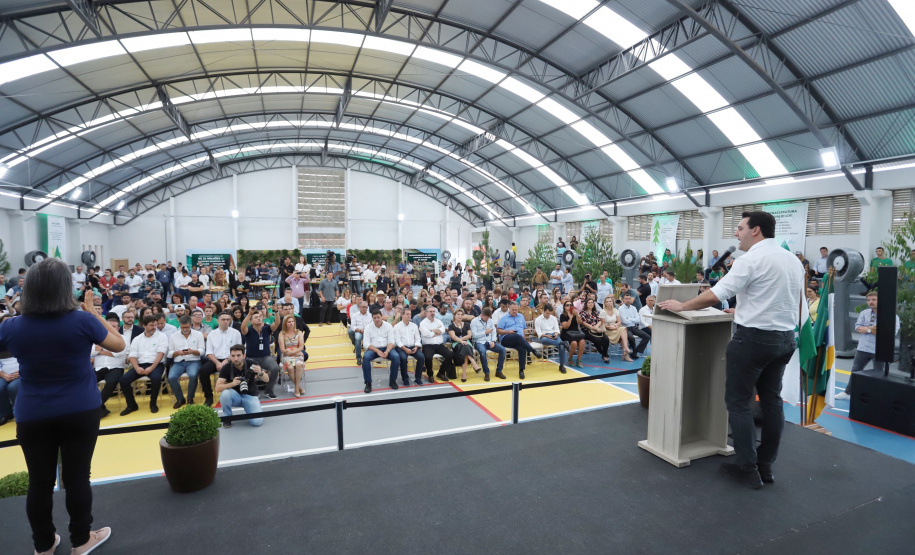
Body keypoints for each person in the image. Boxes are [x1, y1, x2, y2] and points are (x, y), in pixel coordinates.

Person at [659, 210, 804, 489]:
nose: (736, 233)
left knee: (739, 402)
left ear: (756, 230)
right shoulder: (791, 259)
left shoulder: (750, 259)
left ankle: (745, 467)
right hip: (785, 339)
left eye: (739, 228)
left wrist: (682, 305)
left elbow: (716, 294)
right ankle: (766, 465)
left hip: (753, 340)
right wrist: (748, 307)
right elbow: (785, 298)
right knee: (772, 402)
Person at [0, 260, 124, 554]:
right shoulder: (82, 321)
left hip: (32, 413)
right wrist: (92, 311)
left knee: (39, 482)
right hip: (80, 409)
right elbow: (118, 344)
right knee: (78, 476)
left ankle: (44, 545)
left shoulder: (11, 326)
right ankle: (81, 541)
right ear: (66, 288)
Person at [835, 291, 900, 400]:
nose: (871, 302)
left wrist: (868, 329)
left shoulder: (891, 315)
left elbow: (890, 332)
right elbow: (858, 327)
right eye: (869, 300)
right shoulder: (864, 313)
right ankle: (848, 392)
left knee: (879, 373)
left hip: (879, 348)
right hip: (863, 347)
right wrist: (874, 329)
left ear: (880, 301)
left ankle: (877, 395)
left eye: (874, 300)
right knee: (855, 370)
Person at [119, 314, 168, 415]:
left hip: (156, 364)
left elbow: (161, 354)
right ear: (144, 326)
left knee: (156, 379)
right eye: (151, 325)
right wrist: (136, 367)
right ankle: (132, 405)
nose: (155, 327)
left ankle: (153, 403)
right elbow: (132, 355)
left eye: (155, 325)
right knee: (123, 380)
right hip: (140, 365)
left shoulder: (162, 336)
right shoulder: (137, 339)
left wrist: (151, 367)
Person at [216, 344, 269, 428]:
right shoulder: (226, 367)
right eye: (233, 356)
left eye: (238, 355)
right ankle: (228, 418)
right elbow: (217, 388)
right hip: (235, 396)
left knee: (257, 422)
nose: (235, 358)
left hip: (250, 395)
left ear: (244, 355)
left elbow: (266, 380)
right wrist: (232, 384)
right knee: (225, 394)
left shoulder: (252, 364)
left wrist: (260, 372)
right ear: (230, 356)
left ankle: (250, 408)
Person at [199, 311, 243, 407]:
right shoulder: (212, 334)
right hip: (215, 359)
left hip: (232, 359)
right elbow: (209, 352)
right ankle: (209, 397)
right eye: (223, 319)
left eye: (228, 319)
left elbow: (239, 350)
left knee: (238, 368)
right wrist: (218, 363)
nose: (225, 321)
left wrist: (227, 360)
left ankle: (237, 393)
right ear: (218, 321)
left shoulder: (236, 333)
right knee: (203, 371)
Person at [240, 306, 281, 399]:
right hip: (251, 358)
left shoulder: (266, 328)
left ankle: (269, 390)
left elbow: (277, 323)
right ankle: (254, 390)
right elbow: (242, 327)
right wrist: (250, 314)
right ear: (252, 321)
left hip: (265, 357)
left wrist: (276, 311)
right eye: (255, 317)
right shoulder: (249, 330)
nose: (258, 318)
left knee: (275, 368)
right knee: (249, 371)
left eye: (260, 316)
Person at [93, 312, 128, 417]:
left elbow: (119, 353)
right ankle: (100, 409)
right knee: (87, 383)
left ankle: (96, 407)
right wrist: (101, 348)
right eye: (107, 326)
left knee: (111, 382)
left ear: (117, 328)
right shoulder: (98, 337)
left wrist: (100, 351)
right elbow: (91, 352)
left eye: (113, 327)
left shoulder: (122, 338)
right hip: (98, 367)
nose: (109, 328)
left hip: (115, 367)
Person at [167, 315, 205, 409]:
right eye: (183, 327)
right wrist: (178, 352)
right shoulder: (173, 336)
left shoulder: (198, 334)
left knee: (193, 375)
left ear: (191, 325)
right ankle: (180, 399)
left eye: (187, 327)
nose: (185, 329)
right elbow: (169, 353)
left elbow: (202, 351)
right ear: (179, 325)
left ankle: (190, 398)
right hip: (179, 361)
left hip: (194, 361)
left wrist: (192, 351)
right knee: (171, 377)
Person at [497, 302, 540, 379]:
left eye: (516, 310)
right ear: (509, 309)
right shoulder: (504, 318)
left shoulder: (521, 317)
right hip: (507, 339)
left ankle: (521, 370)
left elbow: (523, 330)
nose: (514, 311)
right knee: (517, 336)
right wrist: (508, 332)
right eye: (513, 309)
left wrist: (524, 340)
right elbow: (499, 331)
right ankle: (533, 351)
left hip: (519, 339)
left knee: (522, 349)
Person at [361, 310, 401, 393]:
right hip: (374, 349)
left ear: (382, 317)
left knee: (396, 357)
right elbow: (366, 343)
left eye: (378, 317)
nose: (377, 319)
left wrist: (387, 351)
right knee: (365, 357)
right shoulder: (368, 328)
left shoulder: (388, 326)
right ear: (372, 318)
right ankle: (368, 383)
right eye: (374, 318)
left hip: (387, 348)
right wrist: (377, 351)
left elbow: (391, 341)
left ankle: (392, 380)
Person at [420, 306, 454, 383]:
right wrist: (436, 332)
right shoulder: (423, 323)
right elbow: (425, 333)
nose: (432, 313)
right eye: (430, 311)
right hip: (428, 345)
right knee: (428, 357)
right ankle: (430, 375)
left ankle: (441, 373)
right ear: (426, 313)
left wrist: (431, 331)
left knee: (450, 355)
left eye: (434, 311)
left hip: (439, 345)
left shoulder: (438, 321)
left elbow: (442, 330)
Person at [278, 315, 308, 397]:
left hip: (296, 354)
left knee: (298, 365)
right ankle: (298, 388)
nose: (291, 323)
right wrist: (293, 352)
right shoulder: (282, 334)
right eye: (289, 322)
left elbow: (301, 346)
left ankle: (297, 389)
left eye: (292, 321)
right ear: (285, 323)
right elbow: (282, 350)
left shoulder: (299, 332)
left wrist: (292, 352)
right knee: (290, 368)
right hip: (286, 355)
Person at [393, 310, 425, 386]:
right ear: (402, 315)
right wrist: (405, 349)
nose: (409, 316)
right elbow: (397, 341)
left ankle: (418, 378)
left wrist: (416, 347)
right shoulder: (397, 326)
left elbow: (418, 338)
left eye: (410, 314)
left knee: (421, 357)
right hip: (401, 347)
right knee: (403, 358)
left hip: (413, 346)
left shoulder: (414, 326)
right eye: (407, 314)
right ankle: (405, 379)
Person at [449, 309, 481, 382]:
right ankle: (473, 362)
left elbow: (469, 335)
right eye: (458, 314)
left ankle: (464, 374)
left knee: (465, 347)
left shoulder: (466, 324)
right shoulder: (451, 326)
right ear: (454, 315)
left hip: (466, 342)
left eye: (461, 314)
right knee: (464, 346)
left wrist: (462, 339)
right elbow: (453, 337)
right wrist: (461, 341)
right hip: (456, 343)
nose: (460, 316)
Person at [534, 304, 567, 373]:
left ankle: (562, 365)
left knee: (561, 347)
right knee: (544, 340)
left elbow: (557, 330)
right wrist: (546, 335)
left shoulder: (553, 318)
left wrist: (556, 334)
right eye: (547, 313)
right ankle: (562, 343)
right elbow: (539, 333)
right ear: (543, 311)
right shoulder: (538, 319)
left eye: (550, 313)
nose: (549, 315)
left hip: (553, 334)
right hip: (544, 336)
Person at [599, 295, 632, 362]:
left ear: (612, 302)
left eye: (610, 301)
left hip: (615, 327)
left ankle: (625, 352)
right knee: (623, 331)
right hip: (607, 330)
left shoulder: (615, 310)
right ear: (605, 303)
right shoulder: (602, 311)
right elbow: (602, 324)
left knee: (623, 330)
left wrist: (616, 326)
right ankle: (625, 351)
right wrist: (610, 327)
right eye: (607, 301)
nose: (609, 303)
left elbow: (619, 321)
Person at [619, 292, 650, 359]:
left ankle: (636, 351)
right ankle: (634, 352)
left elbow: (638, 319)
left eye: (629, 298)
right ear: (623, 300)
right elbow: (624, 321)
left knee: (647, 336)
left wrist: (629, 318)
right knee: (631, 338)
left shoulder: (633, 308)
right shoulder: (621, 309)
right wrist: (633, 319)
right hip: (625, 328)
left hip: (634, 327)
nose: (628, 300)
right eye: (626, 298)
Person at [580, 298, 611, 364]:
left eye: (592, 302)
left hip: (596, 329)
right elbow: (584, 323)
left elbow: (599, 321)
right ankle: (604, 355)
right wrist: (594, 328)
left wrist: (596, 327)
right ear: (586, 304)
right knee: (597, 340)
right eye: (589, 303)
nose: (591, 304)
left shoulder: (595, 312)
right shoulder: (582, 312)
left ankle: (604, 354)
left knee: (606, 339)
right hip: (586, 330)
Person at [559, 301, 584, 367]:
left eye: (571, 305)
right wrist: (570, 318)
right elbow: (565, 326)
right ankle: (570, 358)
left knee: (582, 341)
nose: (569, 306)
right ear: (564, 307)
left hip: (576, 332)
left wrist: (577, 315)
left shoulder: (575, 314)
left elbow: (579, 322)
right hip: (566, 333)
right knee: (574, 343)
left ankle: (579, 360)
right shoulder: (563, 315)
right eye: (567, 305)